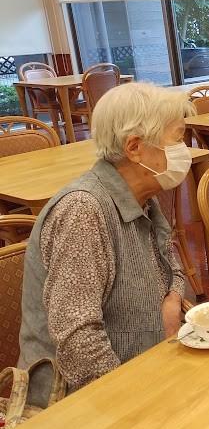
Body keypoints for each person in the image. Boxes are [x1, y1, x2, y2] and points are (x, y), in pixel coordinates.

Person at [18, 83, 193, 405]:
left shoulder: (144, 197)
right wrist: (133, 400)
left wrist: (173, 298)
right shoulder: (83, 211)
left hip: (150, 361)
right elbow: (78, 340)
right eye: (178, 138)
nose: (186, 151)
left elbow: (173, 263)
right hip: (84, 401)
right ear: (135, 147)